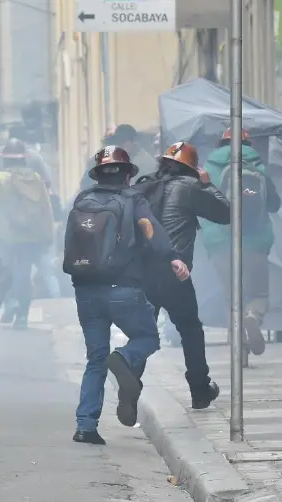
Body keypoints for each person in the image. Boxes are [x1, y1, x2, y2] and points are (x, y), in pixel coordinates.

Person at [64, 145, 188, 446]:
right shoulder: (133, 200)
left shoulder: (83, 200)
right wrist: (172, 257)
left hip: (86, 291)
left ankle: (86, 426)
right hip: (124, 288)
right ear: (127, 176)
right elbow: (151, 231)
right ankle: (124, 357)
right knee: (146, 339)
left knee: (95, 358)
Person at [135, 142, 230, 409]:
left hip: (143, 272)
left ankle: (131, 384)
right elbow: (226, 213)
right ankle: (200, 390)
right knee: (190, 329)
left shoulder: (145, 186)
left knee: (143, 332)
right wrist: (208, 184)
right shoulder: (189, 187)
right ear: (191, 168)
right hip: (175, 272)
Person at [201, 128, 281, 355]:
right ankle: (252, 316)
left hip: (220, 243)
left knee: (230, 296)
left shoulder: (208, 170)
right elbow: (275, 204)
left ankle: (238, 343)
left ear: (221, 144)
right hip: (255, 241)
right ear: (249, 145)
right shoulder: (259, 168)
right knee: (258, 294)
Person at [0, 138, 55, 328]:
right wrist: (48, 235)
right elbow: (46, 209)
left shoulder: (0, 179)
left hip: (7, 237)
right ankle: (23, 316)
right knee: (24, 274)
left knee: (6, 272)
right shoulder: (36, 178)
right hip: (32, 238)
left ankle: (10, 304)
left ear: (5, 159)